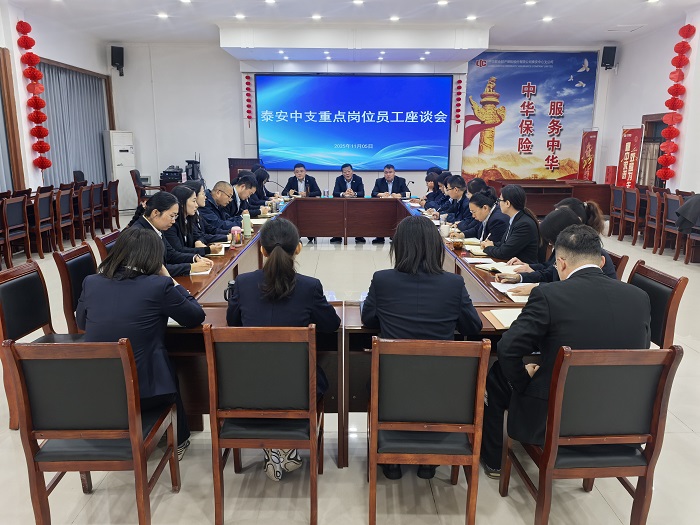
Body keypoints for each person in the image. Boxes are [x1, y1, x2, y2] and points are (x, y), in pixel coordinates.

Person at [480, 225, 651, 478]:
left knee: (496, 374)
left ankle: (494, 461)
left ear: (560, 263)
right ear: (602, 261)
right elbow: (641, 351)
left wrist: (524, 382)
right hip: (619, 413)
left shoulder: (549, 294)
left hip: (556, 413)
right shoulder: (639, 297)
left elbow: (508, 348)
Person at [361, 215, 483, 481]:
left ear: (399, 247)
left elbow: (368, 319)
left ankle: (391, 462)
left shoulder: (382, 280)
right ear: (435, 247)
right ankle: (430, 462)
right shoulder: (453, 284)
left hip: (391, 387)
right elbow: (473, 326)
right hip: (443, 390)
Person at [226, 218, 341, 481]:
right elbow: (331, 324)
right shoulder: (310, 286)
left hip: (247, 387)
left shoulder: (243, 283)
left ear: (262, 250)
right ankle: (282, 445)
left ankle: (275, 447)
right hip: (298, 388)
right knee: (294, 378)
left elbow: (233, 323)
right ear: (298, 248)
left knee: (267, 378)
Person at [76, 227, 206, 460]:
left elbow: (82, 322)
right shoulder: (158, 286)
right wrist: (169, 278)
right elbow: (195, 316)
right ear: (155, 258)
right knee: (165, 363)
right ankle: (178, 439)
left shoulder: (91, 282)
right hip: (146, 394)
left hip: (97, 392)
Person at [496, 206, 617, 295]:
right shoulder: (567, 247)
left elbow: (574, 288)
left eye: (551, 241)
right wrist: (520, 278)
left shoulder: (587, 254)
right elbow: (551, 272)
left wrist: (537, 287)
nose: (550, 244)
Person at [128, 191, 213, 277]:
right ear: (155, 213)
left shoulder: (156, 227)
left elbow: (171, 254)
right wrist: (191, 267)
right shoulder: (140, 234)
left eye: (175, 216)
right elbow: (156, 270)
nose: (173, 221)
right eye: (172, 216)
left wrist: (195, 258)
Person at [481, 184, 540, 263]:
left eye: (500, 200)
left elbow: (504, 253)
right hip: (511, 264)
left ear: (507, 203)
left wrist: (487, 248)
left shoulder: (524, 224)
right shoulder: (516, 218)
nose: (499, 204)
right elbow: (506, 244)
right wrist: (493, 244)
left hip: (522, 267)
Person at [164, 185, 224, 257]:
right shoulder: (171, 224)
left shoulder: (188, 220)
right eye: (193, 201)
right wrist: (208, 250)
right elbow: (179, 250)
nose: (196, 205)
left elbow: (199, 235)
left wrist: (198, 241)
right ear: (182, 203)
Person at [182, 179, 231, 244]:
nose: (205, 197)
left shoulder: (197, 213)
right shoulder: (188, 217)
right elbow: (201, 236)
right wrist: (226, 237)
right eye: (203, 193)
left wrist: (229, 232)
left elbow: (210, 229)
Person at [371, 164, 411, 244]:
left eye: (390, 172)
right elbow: (373, 193)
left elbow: (408, 193)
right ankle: (380, 237)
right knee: (379, 216)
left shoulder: (401, 180)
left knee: (397, 217)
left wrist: (398, 195)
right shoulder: (379, 181)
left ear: (394, 173)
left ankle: (394, 236)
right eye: (386, 172)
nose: (388, 174)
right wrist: (382, 194)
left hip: (396, 206)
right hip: (382, 207)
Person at [331, 163, 366, 243]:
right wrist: (343, 194)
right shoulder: (339, 179)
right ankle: (337, 236)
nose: (347, 173)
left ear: (352, 171)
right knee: (337, 215)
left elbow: (362, 193)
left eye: (349, 171)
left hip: (355, 204)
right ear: (342, 173)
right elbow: (335, 193)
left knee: (358, 216)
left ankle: (359, 236)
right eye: (344, 172)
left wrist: (354, 194)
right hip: (342, 205)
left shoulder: (358, 179)